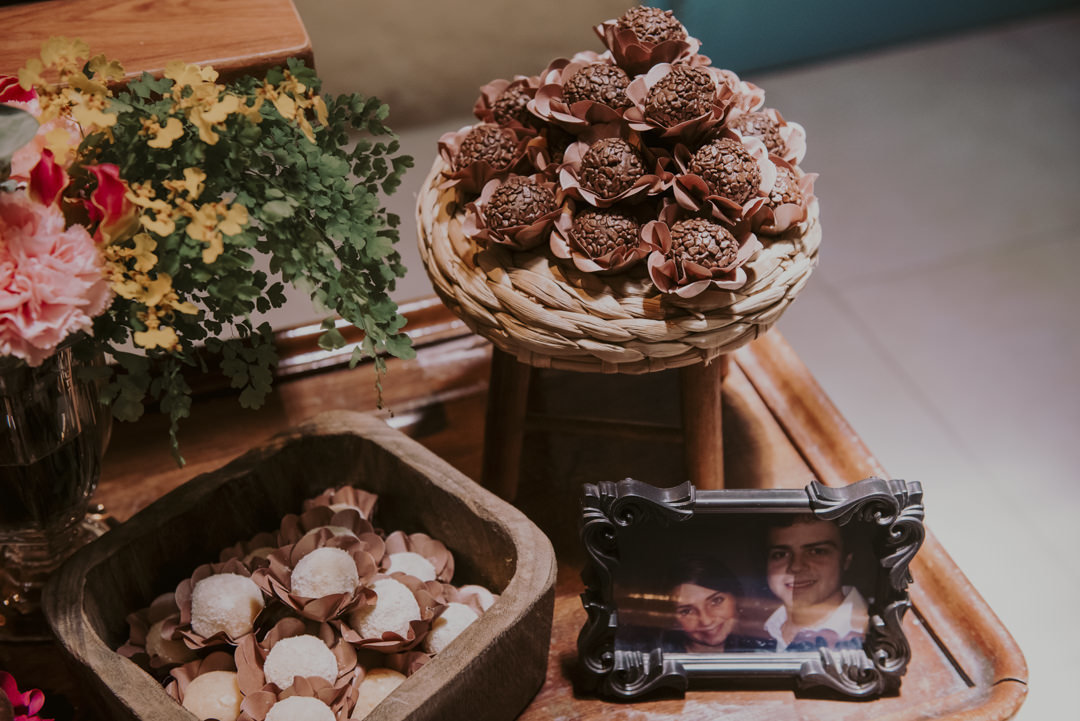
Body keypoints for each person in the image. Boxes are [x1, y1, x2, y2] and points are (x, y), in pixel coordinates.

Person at [763, 515, 868, 652]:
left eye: (816, 552)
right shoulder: (753, 632)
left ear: (845, 561)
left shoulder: (874, 631)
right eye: (781, 554)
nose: (796, 566)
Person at [663, 559, 775, 653]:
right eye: (686, 611)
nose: (706, 621)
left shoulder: (763, 652)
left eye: (716, 601)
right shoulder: (658, 664)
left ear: (736, 599)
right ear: (674, 620)